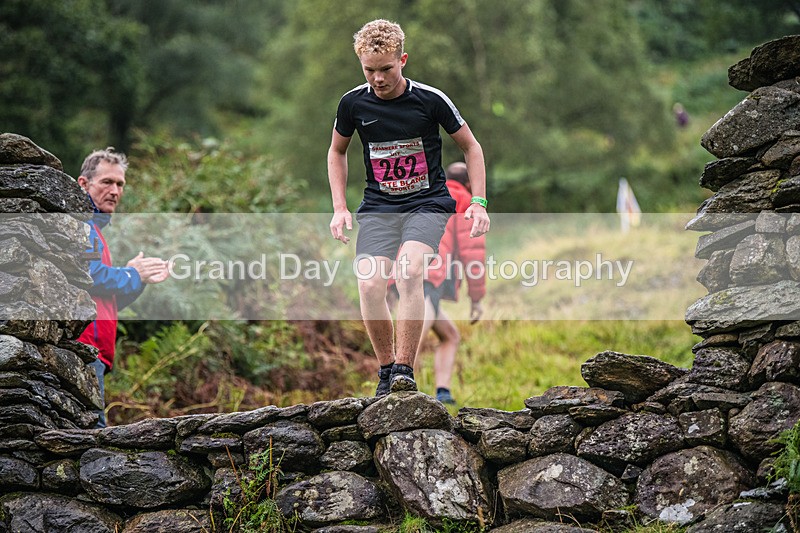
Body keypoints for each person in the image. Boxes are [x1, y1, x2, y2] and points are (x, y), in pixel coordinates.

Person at [328, 19, 490, 396]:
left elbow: (472, 147)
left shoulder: (430, 100)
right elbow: (337, 151)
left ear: (402, 59)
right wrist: (339, 207)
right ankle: (386, 371)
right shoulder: (352, 103)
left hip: (427, 202)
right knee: (369, 284)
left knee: (409, 269)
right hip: (380, 206)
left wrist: (479, 202)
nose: (378, 79)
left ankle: (405, 368)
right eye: (369, 70)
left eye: (386, 69)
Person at [76, 148, 168, 427]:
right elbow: (90, 275)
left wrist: (138, 280)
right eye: (107, 182)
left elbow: (105, 302)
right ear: (83, 184)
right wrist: (131, 274)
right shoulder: (81, 226)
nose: (115, 190)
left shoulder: (95, 230)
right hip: (83, 350)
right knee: (90, 439)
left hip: (95, 354)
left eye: (120, 184)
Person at [387, 162, 487, 404]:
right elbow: (472, 251)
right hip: (429, 273)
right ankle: (397, 388)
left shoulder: (426, 192)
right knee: (415, 334)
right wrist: (476, 298)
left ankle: (443, 392)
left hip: (402, 270)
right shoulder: (463, 200)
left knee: (450, 335)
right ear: (469, 183)